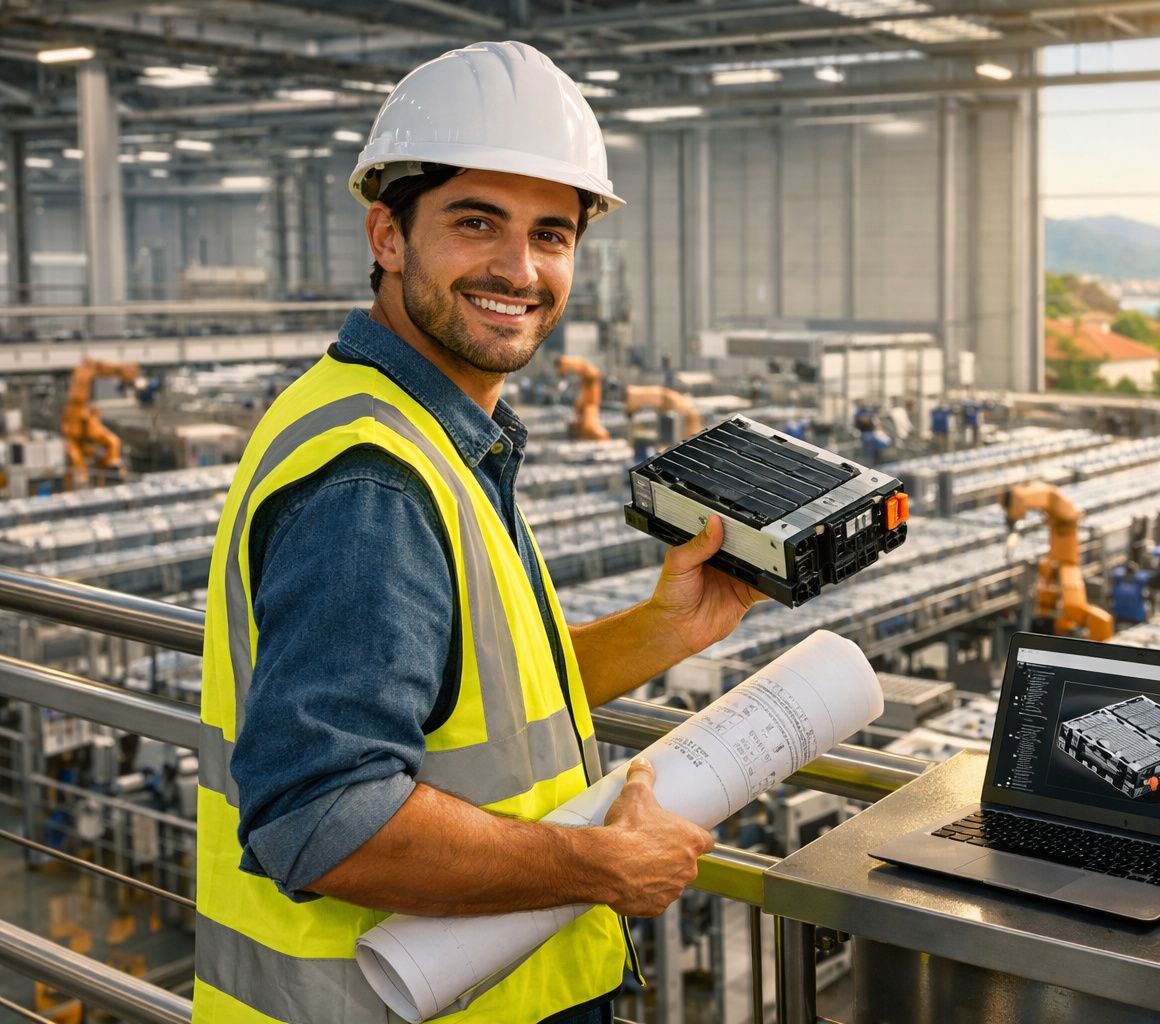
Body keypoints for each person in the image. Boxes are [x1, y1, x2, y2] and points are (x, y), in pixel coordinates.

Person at [192, 41, 764, 1024]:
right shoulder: (375, 478)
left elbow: (477, 707)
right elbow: (322, 820)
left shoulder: (418, 432)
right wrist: (605, 863)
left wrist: (667, 629)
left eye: (552, 234)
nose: (519, 268)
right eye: (475, 223)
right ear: (387, 233)